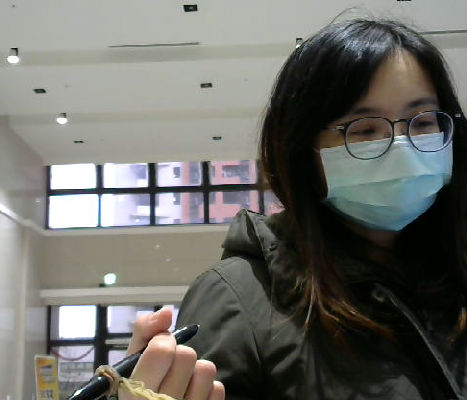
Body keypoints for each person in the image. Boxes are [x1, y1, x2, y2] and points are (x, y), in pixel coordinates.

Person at [122, 18, 467, 400]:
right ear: (304, 150)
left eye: (423, 122)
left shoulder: (452, 271)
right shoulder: (242, 298)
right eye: (364, 130)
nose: (401, 147)